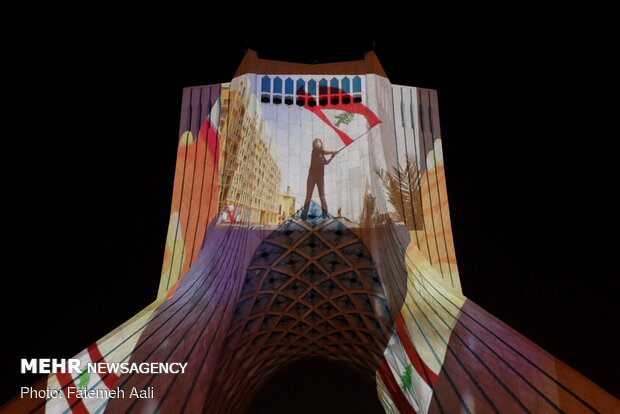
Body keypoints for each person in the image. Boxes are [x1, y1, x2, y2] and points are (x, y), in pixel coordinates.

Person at [301, 138, 339, 218]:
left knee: (322, 196)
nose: (318, 142)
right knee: (308, 196)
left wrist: (332, 156)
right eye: (316, 141)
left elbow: (326, 163)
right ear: (314, 144)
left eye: (319, 141)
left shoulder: (322, 155)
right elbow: (324, 151)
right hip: (312, 176)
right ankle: (304, 214)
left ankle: (325, 215)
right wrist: (332, 151)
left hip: (320, 177)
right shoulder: (315, 151)